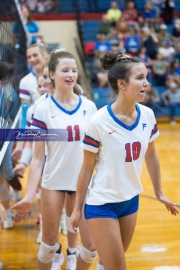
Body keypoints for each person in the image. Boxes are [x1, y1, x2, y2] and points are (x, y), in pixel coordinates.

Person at [70, 51, 179, 270]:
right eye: (139, 78)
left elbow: (151, 154)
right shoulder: (99, 121)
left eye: (146, 77)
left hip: (130, 201)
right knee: (118, 266)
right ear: (121, 83)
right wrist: (77, 208)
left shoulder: (147, 115)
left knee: (106, 263)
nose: (146, 83)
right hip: (102, 203)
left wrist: (159, 193)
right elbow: (86, 167)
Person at [11, 50, 98, 270]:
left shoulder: (89, 107)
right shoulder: (42, 109)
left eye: (74, 70)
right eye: (65, 70)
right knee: (49, 245)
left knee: (90, 249)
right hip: (53, 183)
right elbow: (38, 158)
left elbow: (98, 152)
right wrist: (30, 196)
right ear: (51, 74)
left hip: (82, 185)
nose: (71, 74)